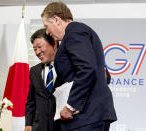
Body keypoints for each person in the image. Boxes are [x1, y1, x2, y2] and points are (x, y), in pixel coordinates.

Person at [41, 2, 117, 131]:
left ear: (56, 19)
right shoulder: (80, 32)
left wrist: (71, 106)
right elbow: (101, 73)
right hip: (93, 114)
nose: (47, 32)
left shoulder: (73, 31)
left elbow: (87, 68)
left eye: (46, 26)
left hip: (86, 115)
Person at [24, 28, 61, 131]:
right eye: (35, 49)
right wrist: (28, 124)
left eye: (39, 47)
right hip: (39, 127)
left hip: (62, 126)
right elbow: (31, 101)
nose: (37, 52)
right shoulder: (34, 71)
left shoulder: (67, 66)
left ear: (53, 44)